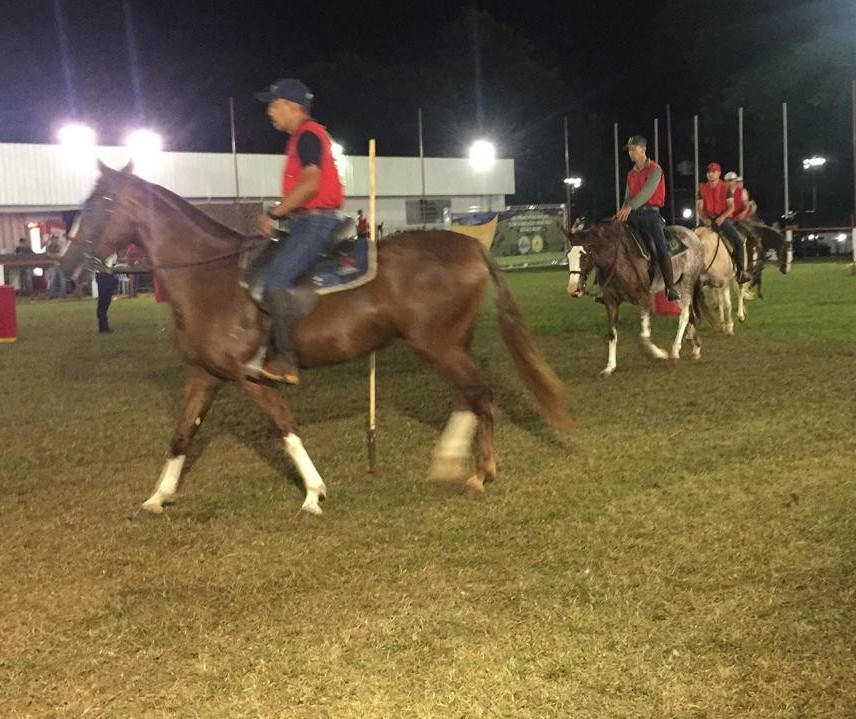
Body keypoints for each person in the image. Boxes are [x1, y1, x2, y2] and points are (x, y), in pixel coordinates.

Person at [244, 78, 344, 384]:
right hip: (300, 221)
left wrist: (275, 213)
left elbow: (311, 183)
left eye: (274, 105)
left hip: (314, 222)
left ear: (293, 106)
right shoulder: (300, 138)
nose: (269, 112)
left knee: (276, 279)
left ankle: (287, 360)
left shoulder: (308, 135)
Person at [616, 135, 680, 301]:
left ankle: (670, 286)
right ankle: (611, 286)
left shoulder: (655, 170)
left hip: (651, 214)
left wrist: (630, 207)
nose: (630, 153)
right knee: (613, 236)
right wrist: (623, 209)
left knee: (660, 245)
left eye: (633, 149)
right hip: (633, 213)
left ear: (643, 150)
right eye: (629, 150)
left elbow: (647, 192)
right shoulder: (631, 174)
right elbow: (628, 196)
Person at [697, 163, 750, 283]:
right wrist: (704, 219)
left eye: (714, 172)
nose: (711, 174)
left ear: (719, 173)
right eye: (709, 172)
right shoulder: (702, 189)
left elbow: (731, 207)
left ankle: (741, 272)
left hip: (722, 220)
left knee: (738, 241)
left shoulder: (726, 188)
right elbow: (699, 208)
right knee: (693, 239)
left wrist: (722, 217)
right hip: (707, 221)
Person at [95, 254, 119, 333]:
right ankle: (103, 326)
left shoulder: (111, 253)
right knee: (104, 301)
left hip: (105, 275)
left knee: (104, 301)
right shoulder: (108, 252)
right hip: (105, 276)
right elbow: (107, 266)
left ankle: (103, 325)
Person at [43, 234, 68, 299]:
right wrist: (56, 257)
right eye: (53, 238)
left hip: (58, 265)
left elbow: (59, 256)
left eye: (56, 238)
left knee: (61, 280)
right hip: (52, 265)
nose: (55, 240)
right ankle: (52, 295)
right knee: (52, 280)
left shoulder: (58, 246)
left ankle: (62, 294)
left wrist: (55, 257)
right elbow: (49, 255)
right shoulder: (50, 246)